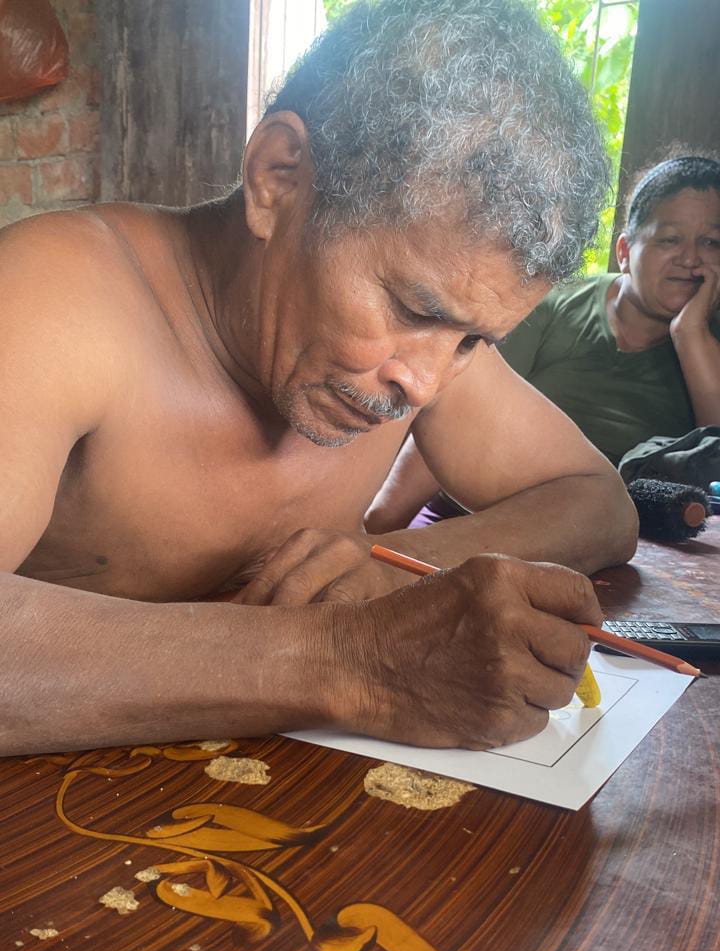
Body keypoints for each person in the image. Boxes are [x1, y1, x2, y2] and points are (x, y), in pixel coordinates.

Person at [0, 0, 637, 758]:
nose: (426, 384)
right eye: (412, 308)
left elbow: (597, 502)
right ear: (279, 177)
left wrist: (402, 575)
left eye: (474, 340)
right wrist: (349, 659)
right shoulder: (53, 299)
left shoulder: (422, 344)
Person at [367, 154, 720, 530]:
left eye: (711, 242)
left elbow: (713, 458)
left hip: (598, 534)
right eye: (670, 240)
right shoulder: (551, 303)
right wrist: (380, 523)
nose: (690, 259)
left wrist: (690, 335)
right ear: (624, 252)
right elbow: (453, 401)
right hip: (462, 515)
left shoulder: (708, 344)